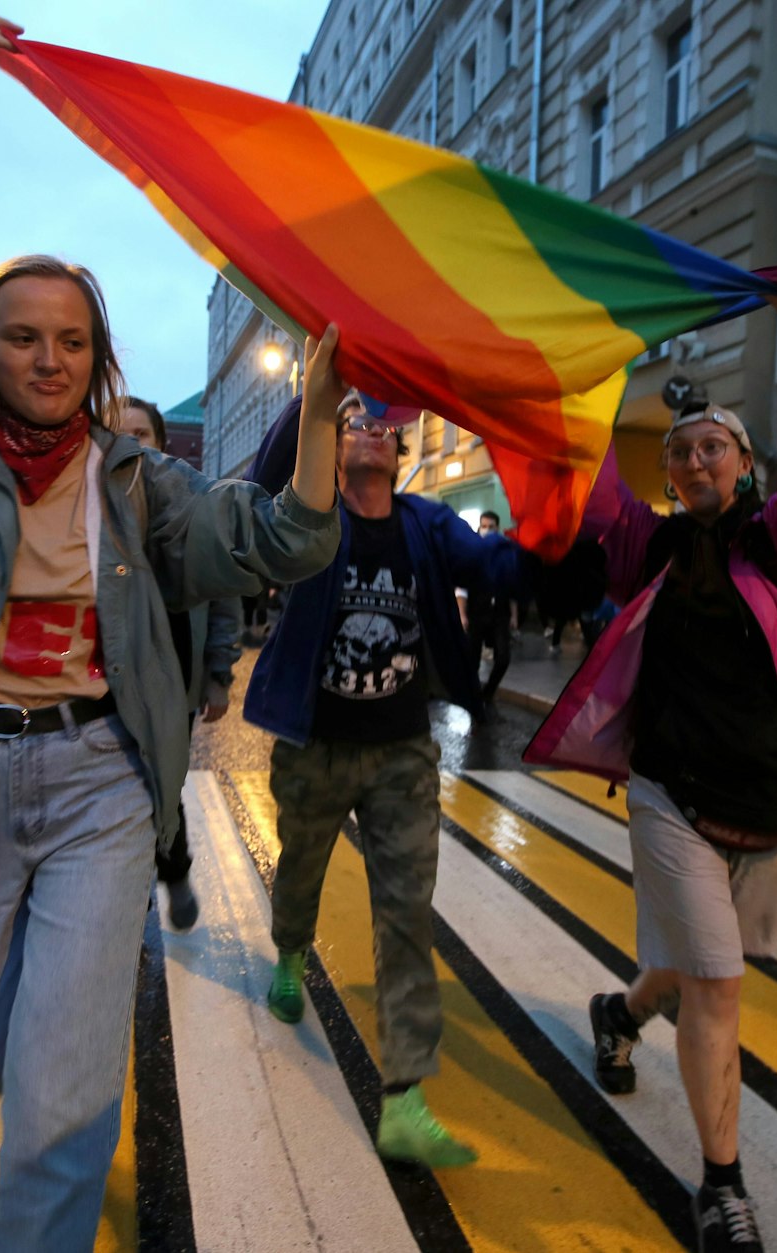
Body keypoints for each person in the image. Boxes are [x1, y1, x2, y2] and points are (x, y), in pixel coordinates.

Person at [0, 13, 341, 1249]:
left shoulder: (135, 480)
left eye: (72, 341)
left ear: (96, 359)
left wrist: (315, 415)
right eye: (22, 336)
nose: (49, 358)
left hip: (101, 780)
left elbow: (273, 542)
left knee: (63, 1075)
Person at [527, 264, 777, 1252]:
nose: (694, 458)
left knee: (695, 971)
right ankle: (720, 1186)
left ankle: (617, 1007)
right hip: (669, 796)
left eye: (713, 445)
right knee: (718, 983)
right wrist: (570, 382)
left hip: (772, 813)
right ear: (671, 473)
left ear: (742, 466)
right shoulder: (645, 549)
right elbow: (587, 488)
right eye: (681, 451)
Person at [245, 385, 520, 1169]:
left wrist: (556, 539)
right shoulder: (305, 520)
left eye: (380, 426)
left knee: (406, 915)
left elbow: (491, 560)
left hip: (402, 753)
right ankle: (292, 948)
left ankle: (404, 1095)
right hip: (315, 746)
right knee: (299, 871)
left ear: (399, 452)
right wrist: (315, 391)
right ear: (333, 442)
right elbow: (262, 485)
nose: (367, 432)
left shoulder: (425, 524)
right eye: (350, 421)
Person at [121, 396, 243, 930]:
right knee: (115, 791)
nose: (130, 444)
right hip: (105, 686)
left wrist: (218, 675)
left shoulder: (187, 511)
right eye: (119, 434)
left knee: (162, 784)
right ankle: (126, 889)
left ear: (161, 446)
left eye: (141, 434)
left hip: (175, 682)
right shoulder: (86, 512)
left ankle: (173, 872)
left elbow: (223, 597)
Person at [463, 510, 513, 708]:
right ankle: (473, 695)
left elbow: (511, 584)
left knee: (503, 658)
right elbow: (462, 587)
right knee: (472, 660)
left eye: (491, 527)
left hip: (500, 613)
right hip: (476, 612)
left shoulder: (504, 552)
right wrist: (461, 613)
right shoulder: (472, 551)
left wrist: (514, 614)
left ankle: (488, 692)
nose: (487, 530)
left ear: (497, 529)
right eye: (484, 526)